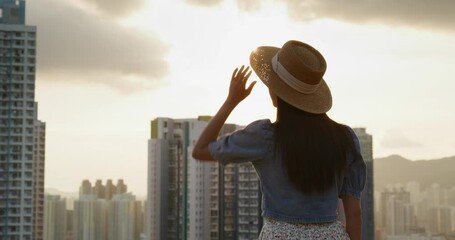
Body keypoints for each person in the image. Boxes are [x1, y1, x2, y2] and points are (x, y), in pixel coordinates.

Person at [192, 40, 366, 239]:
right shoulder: (345, 139)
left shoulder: (265, 137)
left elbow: (201, 149)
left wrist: (231, 101)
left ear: (277, 92)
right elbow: (354, 214)